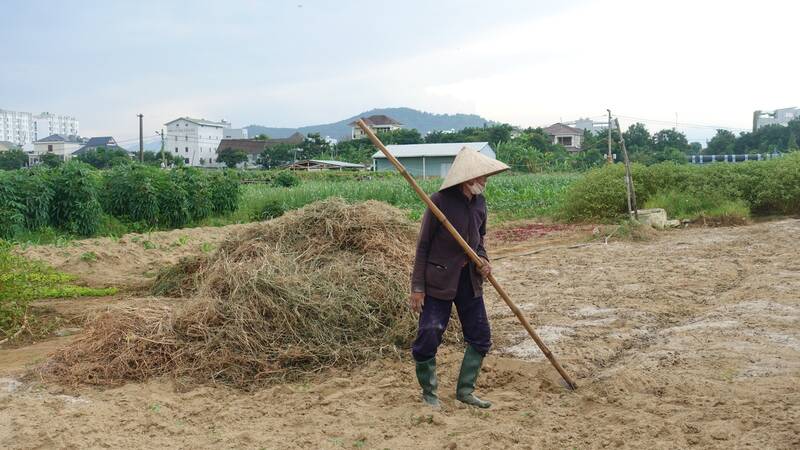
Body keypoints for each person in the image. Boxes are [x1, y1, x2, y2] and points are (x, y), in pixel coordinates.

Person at [410, 147, 509, 408]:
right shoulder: (439, 201)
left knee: (481, 336)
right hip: (439, 279)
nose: (485, 181)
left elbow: (479, 240)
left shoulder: (480, 203)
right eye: (481, 176)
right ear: (468, 178)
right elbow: (423, 246)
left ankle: (465, 391)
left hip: (469, 279)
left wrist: (484, 260)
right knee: (430, 332)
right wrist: (417, 287)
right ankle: (429, 393)